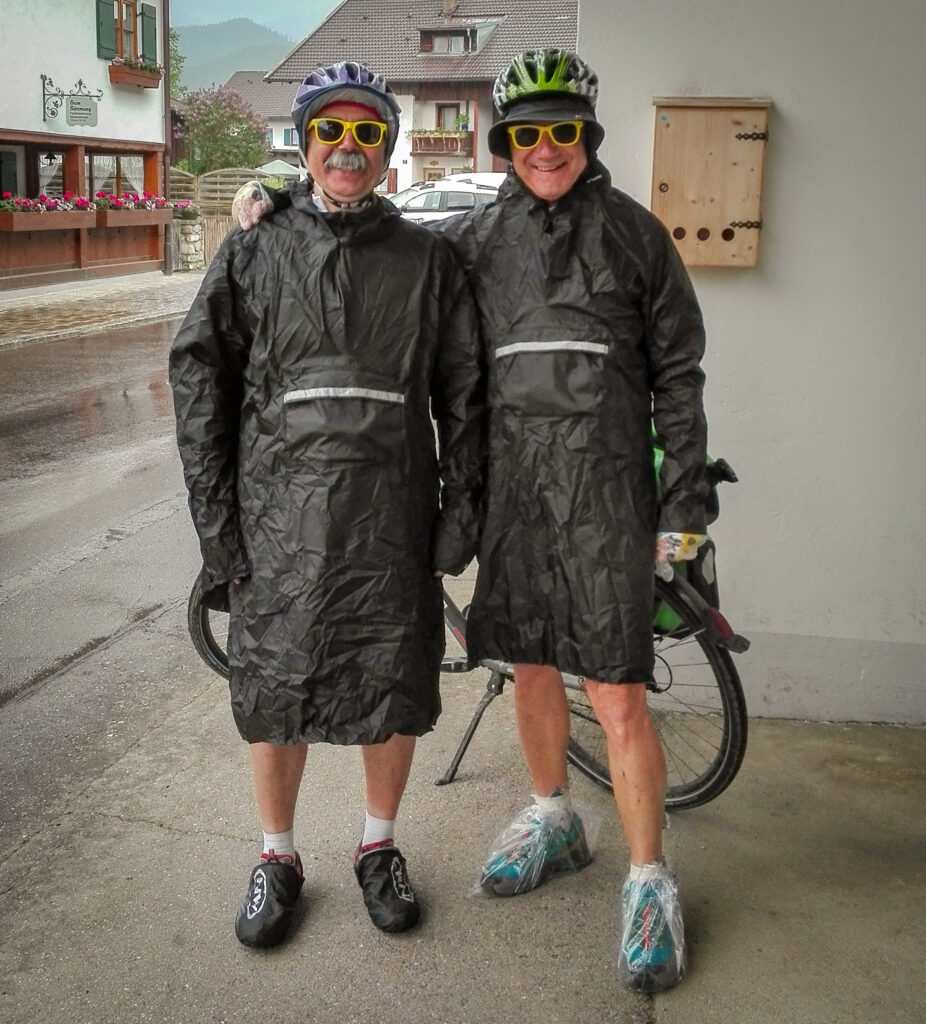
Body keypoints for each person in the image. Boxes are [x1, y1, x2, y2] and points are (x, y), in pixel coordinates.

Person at [236, 50, 709, 993]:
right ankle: (552, 816)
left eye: (561, 132)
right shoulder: (471, 242)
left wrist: (684, 504)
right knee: (530, 665)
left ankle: (650, 878)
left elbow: (680, 379)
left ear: (587, 137)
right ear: (504, 143)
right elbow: (367, 238)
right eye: (526, 135)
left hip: (612, 497)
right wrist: (274, 194)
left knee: (615, 691)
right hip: (517, 500)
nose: (544, 150)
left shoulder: (637, 237)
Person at [170, 61, 484, 950]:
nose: (349, 149)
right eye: (331, 132)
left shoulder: (428, 259)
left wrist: (457, 516)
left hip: (393, 518)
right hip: (278, 520)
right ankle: (278, 858)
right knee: (274, 689)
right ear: (304, 141)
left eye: (367, 133)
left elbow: (466, 392)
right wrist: (219, 525)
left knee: (391, 685)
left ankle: (378, 846)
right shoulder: (255, 247)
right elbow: (200, 381)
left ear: (388, 147)